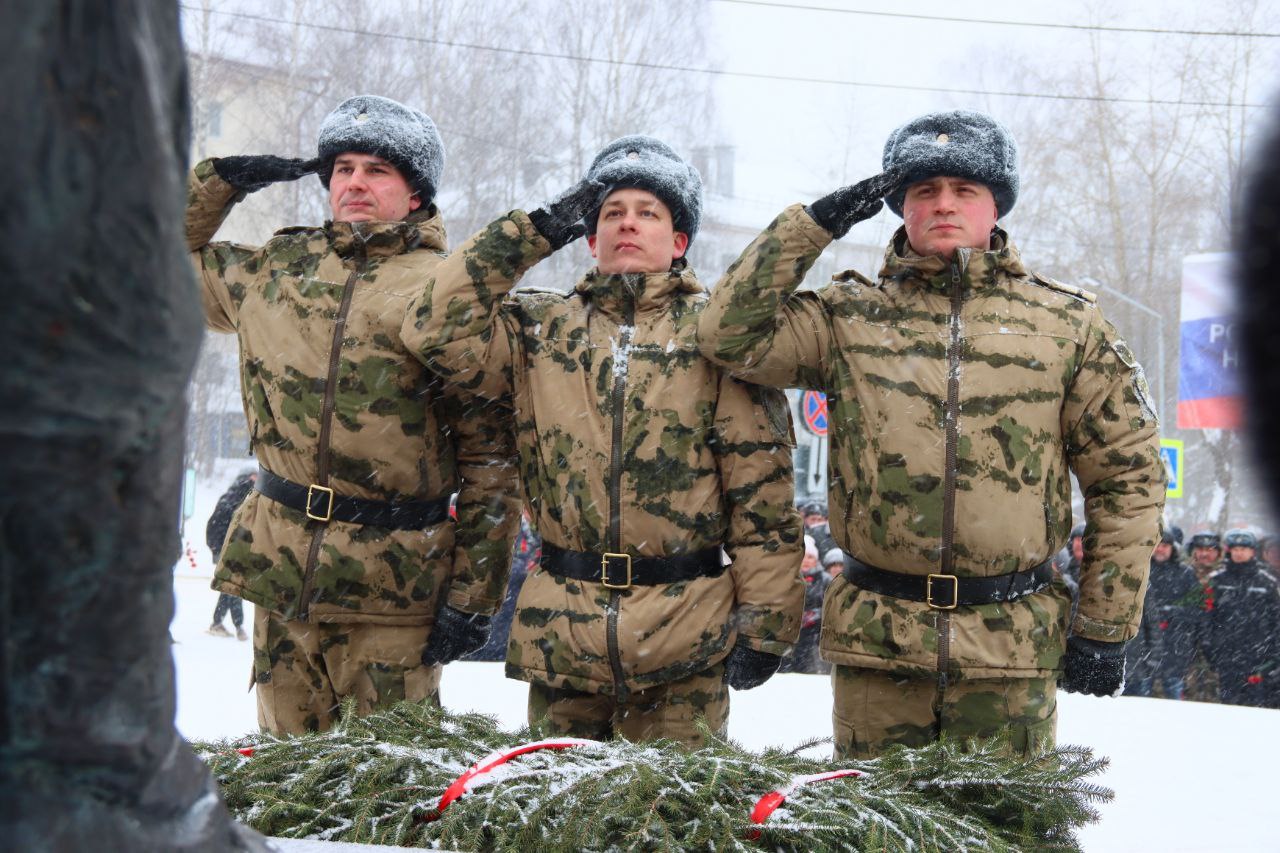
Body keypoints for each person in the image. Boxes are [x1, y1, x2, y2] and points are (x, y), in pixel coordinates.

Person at [697, 109, 1165, 758]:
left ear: (996, 205)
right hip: (879, 645)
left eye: (964, 189)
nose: (943, 203)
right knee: (876, 813)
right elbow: (726, 336)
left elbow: (1128, 476)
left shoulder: (1066, 325)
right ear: (900, 207)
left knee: (1004, 816)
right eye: (924, 190)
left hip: (1010, 648)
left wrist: (1105, 623)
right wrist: (813, 225)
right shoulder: (847, 317)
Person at [402, 135, 804, 747]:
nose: (627, 224)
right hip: (564, 630)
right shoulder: (538, 332)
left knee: (668, 804)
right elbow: (432, 327)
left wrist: (767, 623)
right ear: (590, 239)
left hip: (685, 633)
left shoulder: (717, 340)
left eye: (648, 212)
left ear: (679, 241)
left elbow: (761, 495)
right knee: (560, 801)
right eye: (611, 212)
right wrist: (534, 231)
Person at [186, 94, 519, 735]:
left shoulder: (448, 292)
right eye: (342, 168)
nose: (355, 183)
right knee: (286, 779)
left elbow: (491, 459)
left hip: (392, 591)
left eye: (377, 170)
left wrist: (474, 595)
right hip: (281, 576)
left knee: (386, 783)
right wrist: (220, 182)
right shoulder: (275, 271)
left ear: (416, 193)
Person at [1123, 528, 1202, 699]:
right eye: (1157, 545)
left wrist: (1173, 613)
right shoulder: (1140, 571)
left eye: (1165, 546)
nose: (1160, 549)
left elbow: (1197, 609)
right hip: (1144, 646)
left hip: (1176, 645)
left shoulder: (1186, 574)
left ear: (1172, 548)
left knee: (1173, 697)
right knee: (1139, 697)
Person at [1204, 529, 1280, 707]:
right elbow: (1207, 617)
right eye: (1235, 549)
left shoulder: (1267, 582)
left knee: (1255, 706)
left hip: (1258, 656)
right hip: (1226, 655)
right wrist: (1210, 647)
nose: (1239, 553)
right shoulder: (1216, 580)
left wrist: (1273, 654)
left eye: (1244, 549)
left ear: (1252, 551)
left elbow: (1276, 620)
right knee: (1228, 704)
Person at [465, 510, 541, 662]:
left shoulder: (533, 529)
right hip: (505, 590)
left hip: (517, 596)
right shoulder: (511, 523)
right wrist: (522, 568)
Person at [206, 468, 257, 640]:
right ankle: (237, 626)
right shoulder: (237, 499)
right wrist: (219, 548)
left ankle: (218, 623)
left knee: (230, 587)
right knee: (233, 587)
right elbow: (215, 526)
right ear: (245, 479)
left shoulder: (236, 498)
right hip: (229, 550)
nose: (256, 480)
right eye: (253, 477)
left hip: (233, 549)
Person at [779, 535, 831, 674]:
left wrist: (814, 615)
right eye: (803, 557)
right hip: (790, 630)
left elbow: (830, 607)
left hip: (815, 633)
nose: (806, 560)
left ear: (816, 559)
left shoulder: (825, 580)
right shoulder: (787, 578)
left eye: (810, 557)